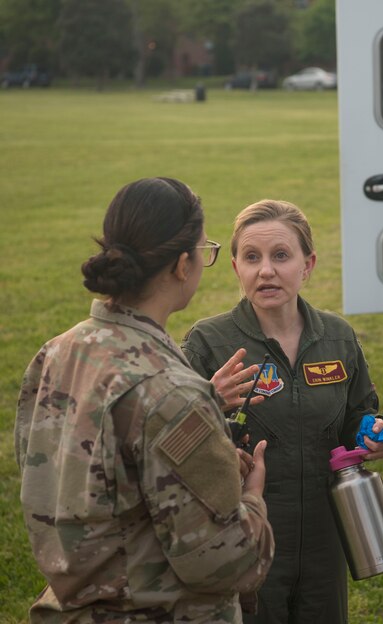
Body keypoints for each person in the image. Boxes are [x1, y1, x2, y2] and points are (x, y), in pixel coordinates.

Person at [14, 177, 275, 623]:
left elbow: (74, 476)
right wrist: (252, 500)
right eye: (205, 249)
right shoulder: (173, 392)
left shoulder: (58, 352)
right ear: (181, 264)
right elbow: (223, 563)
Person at [181, 199, 383, 624]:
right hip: (246, 532)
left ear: (307, 264)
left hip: (325, 534)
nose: (266, 271)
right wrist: (209, 399)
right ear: (235, 267)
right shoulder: (209, 343)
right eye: (252, 257)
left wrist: (371, 430)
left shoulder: (337, 338)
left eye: (281, 255)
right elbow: (175, 439)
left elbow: (360, 411)